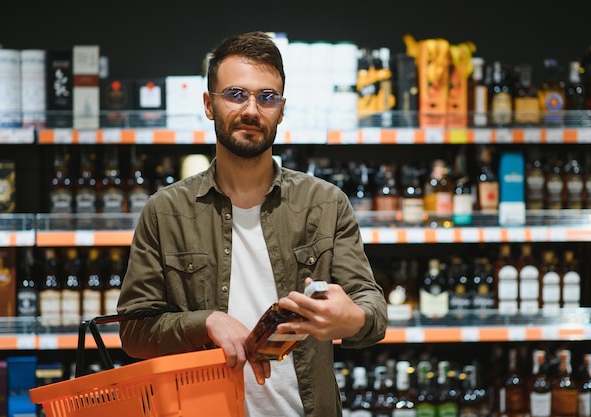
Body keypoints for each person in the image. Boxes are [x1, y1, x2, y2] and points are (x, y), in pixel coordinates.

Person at [117, 31, 388, 417]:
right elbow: (133, 331)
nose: (251, 110)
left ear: (281, 108)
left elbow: (372, 310)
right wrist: (205, 322)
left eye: (267, 97)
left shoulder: (325, 203)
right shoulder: (165, 211)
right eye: (236, 94)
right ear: (209, 105)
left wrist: (351, 318)